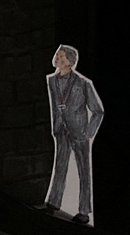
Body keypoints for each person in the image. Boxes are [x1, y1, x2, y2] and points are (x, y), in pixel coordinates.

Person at [44, 45, 104, 225]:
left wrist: (89, 132)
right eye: (57, 55)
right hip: (61, 130)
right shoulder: (52, 81)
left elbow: (98, 111)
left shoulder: (83, 83)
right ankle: (54, 202)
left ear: (70, 62)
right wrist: (55, 126)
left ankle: (84, 211)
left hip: (79, 132)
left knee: (84, 171)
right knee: (60, 166)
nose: (57, 59)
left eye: (61, 57)